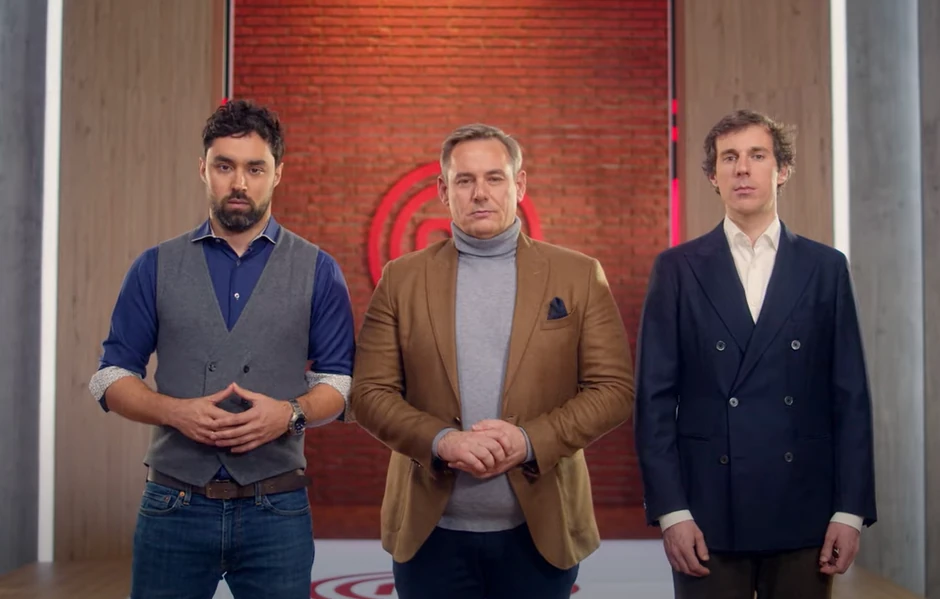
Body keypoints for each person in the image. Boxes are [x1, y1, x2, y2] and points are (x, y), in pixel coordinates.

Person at [349, 123, 635, 599]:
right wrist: (441, 442)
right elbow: (368, 394)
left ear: (519, 185)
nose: (480, 193)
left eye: (494, 178)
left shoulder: (579, 275)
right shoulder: (401, 279)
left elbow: (614, 391)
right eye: (464, 180)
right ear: (444, 191)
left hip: (540, 533)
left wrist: (529, 441)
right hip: (430, 535)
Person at [88, 99, 355, 599]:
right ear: (203, 169)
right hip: (173, 504)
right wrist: (174, 412)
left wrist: (290, 414)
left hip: (277, 507)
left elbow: (339, 383)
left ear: (277, 174)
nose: (239, 183)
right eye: (225, 166)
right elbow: (110, 376)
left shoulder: (319, 270)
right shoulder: (154, 266)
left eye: (255, 168)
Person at [634, 109, 877, 598]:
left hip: (803, 507)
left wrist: (849, 511)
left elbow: (850, 397)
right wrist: (672, 512)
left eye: (757, 156)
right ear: (713, 176)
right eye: (729, 158)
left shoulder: (825, 268)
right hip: (705, 512)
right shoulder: (677, 269)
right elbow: (653, 401)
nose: (742, 168)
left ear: (781, 170)